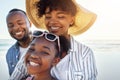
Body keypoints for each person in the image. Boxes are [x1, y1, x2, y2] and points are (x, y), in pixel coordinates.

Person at [9, 0, 97, 80]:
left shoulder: (84, 53)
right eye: (48, 17)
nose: (53, 21)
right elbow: (16, 75)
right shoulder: (35, 47)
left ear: (71, 20)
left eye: (60, 16)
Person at [6, 8, 32, 76]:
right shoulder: (10, 53)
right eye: (10, 26)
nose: (15, 28)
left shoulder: (45, 44)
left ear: (30, 23)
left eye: (20, 23)